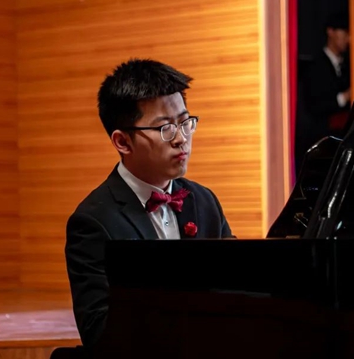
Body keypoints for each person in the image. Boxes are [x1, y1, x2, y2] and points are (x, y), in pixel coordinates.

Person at [64, 58, 235, 349]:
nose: (181, 139)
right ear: (123, 142)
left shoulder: (205, 201)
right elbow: (98, 333)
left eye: (185, 123)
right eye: (166, 128)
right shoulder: (93, 222)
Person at [295, 13, 351, 173]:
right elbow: (314, 106)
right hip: (320, 144)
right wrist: (344, 97)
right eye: (344, 32)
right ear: (331, 32)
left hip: (342, 144)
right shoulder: (315, 66)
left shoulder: (349, 65)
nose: (348, 39)